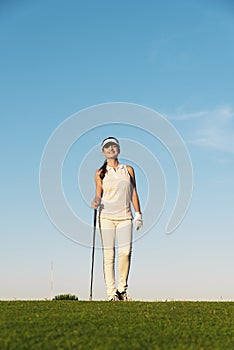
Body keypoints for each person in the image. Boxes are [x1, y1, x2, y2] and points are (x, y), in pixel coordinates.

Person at [91, 137, 142, 301]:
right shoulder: (100, 173)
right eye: (107, 147)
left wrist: (138, 213)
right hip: (106, 217)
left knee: (125, 253)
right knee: (109, 255)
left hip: (125, 216)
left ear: (118, 149)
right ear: (103, 151)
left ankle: (122, 289)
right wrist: (96, 201)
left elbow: (133, 193)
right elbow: (99, 194)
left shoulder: (128, 170)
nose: (110, 149)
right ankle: (111, 293)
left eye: (113, 146)